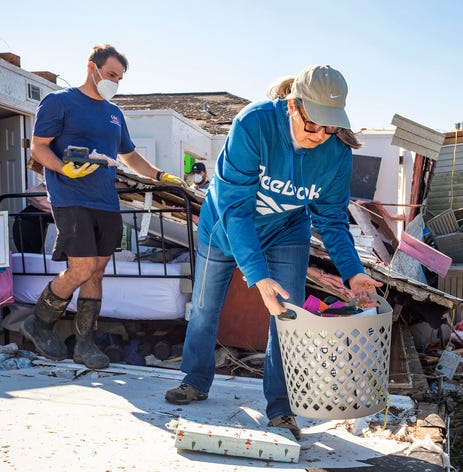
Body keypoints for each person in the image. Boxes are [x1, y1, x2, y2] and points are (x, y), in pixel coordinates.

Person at [165, 65, 382, 439]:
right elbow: (236, 209)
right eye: (313, 124)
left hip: (286, 231)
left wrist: (353, 271)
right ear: (293, 106)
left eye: (330, 127)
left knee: (289, 316)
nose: (321, 135)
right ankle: (195, 379)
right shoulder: (254, 124)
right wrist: (258, 276)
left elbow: (330, 219)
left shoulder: (337, 153)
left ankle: (282, 408)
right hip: (225, 227)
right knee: (204, 306)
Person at [21, 44, 186, 370]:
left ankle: (86, 343)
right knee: (81, 269)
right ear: (91, 67)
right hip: (71, 199)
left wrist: (159, 175)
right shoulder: (59, 102)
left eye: (120, 78)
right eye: (111, 74)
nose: (114, 81)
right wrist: (63, 167)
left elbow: (129, 155)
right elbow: (39, 148)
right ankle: (39, 322)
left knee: (96, 272)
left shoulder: (114, 113)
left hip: (106, 202)